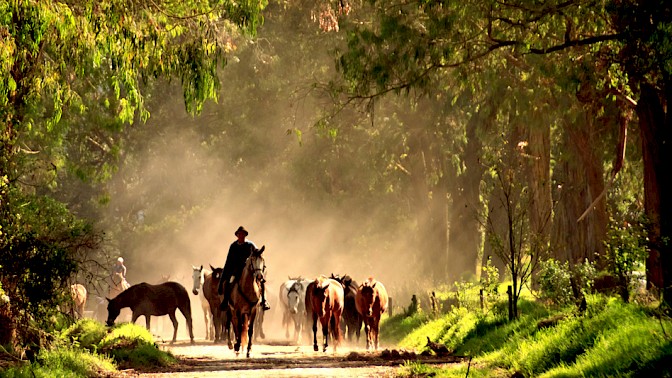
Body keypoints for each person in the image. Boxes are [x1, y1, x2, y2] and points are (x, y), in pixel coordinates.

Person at [218, 226, 271, 311]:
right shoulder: (233, 246)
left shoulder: (250, 245)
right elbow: (228, 261)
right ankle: (226, 301)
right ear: (237, 235)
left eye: (243, 234)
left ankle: (264, 301)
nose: (241, 236)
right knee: (229, 283)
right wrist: (222, 280)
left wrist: (260, 251)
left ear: (245, 235)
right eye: (239, 234)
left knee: (261, 281)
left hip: (250, 271)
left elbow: (258, 254)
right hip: (236, 271)